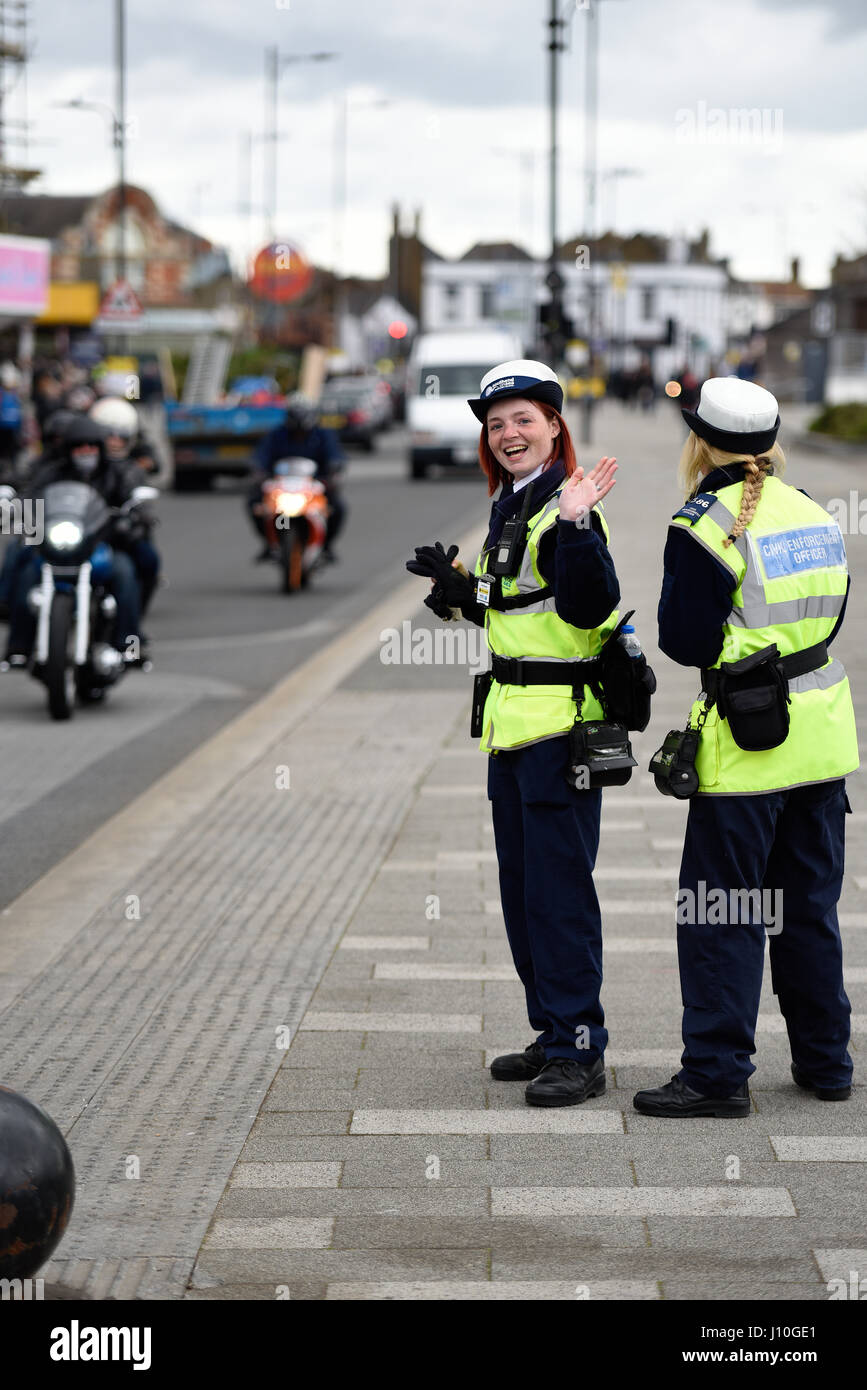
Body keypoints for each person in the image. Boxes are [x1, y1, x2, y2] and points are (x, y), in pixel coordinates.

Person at [407, 359, 634, 1107]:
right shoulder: (514, 502)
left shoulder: (565, 505)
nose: (508, 432)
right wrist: (458, 593)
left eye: (523, 420)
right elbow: (516, 601)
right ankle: (550, 1031)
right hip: (510, 730)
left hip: (559, 733)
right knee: (520, 892)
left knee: (558, 896)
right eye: (496, 422)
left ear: (553, 427)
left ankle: (581, 1049)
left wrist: (576, 523)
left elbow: (588, 603)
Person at [634, 377, 859, 1118]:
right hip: (821, 739)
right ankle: (826, 1064)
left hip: (749, 741)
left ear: (697, 440)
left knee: (720, 910)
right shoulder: (812, 515)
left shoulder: (702, 524)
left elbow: (686, 641)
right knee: (806, 911)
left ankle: (714, 1074)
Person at [2, 417, 144, 667]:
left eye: (91, 446)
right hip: (59, 545)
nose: (86, 452)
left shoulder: (116, 472)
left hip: (100, 545)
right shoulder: (51, 472)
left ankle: (128, 646)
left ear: (100, 448)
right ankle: (18, 648)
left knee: (125, 573)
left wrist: (131, 519)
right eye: (79, 447)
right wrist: (19, 514)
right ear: (69, 450)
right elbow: (30, 498)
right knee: (26, 574)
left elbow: (135, 502)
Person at [247, 392, 346, 562]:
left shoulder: (322, 435)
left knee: (338, 508)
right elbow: (261, 456)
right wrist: (259, 472)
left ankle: (326, 546)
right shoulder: (278, 435)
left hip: (314, 486)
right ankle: (271, 543)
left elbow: (335, 456)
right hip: (282, 486)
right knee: (256, 506)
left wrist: (332, 472)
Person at [89, 397, 161, 630]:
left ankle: (130, 633)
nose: (115, 441)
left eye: (121, 436)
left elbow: (141, 499)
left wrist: (136, 517)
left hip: (117, 535)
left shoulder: (132, 468)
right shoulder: (77, 461)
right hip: (82, 535)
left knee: (138, 565)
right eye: (109, 435)